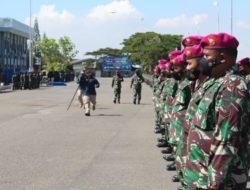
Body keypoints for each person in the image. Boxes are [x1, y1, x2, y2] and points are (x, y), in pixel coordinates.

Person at [185, 33, 250, 189]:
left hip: (219, 180)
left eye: (206, 56)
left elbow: (227, 138)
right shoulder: (215, 81)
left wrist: (215, 183)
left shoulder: (232, 85)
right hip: (201, 175)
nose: (202, 60)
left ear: (221, 58)